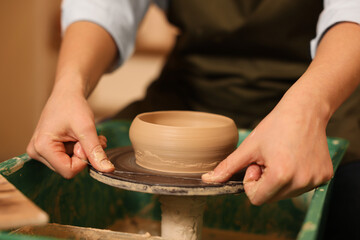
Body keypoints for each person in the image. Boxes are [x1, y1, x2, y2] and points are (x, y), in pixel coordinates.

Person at [27, 0, 360, 234]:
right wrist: (69, 85)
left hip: (324, 85)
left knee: (347, 199)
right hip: (193, 83)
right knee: (62, 167)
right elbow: (105, 5)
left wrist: (309, 110)